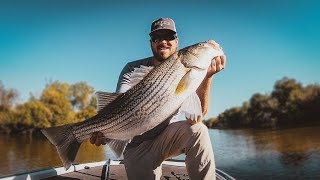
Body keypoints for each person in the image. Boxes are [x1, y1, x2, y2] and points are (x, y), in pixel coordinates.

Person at [90, 17, 226, 180]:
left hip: (166, 138)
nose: (163, 41)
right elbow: (118, 104)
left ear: (177, 42)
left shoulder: (192, 73)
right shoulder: (132, 69)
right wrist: (105, 130)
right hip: (136, 147)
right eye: (157, 37)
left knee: (198, 130)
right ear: (151, 42)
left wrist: (208, 77)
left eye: (168, 37)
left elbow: (196, 116)